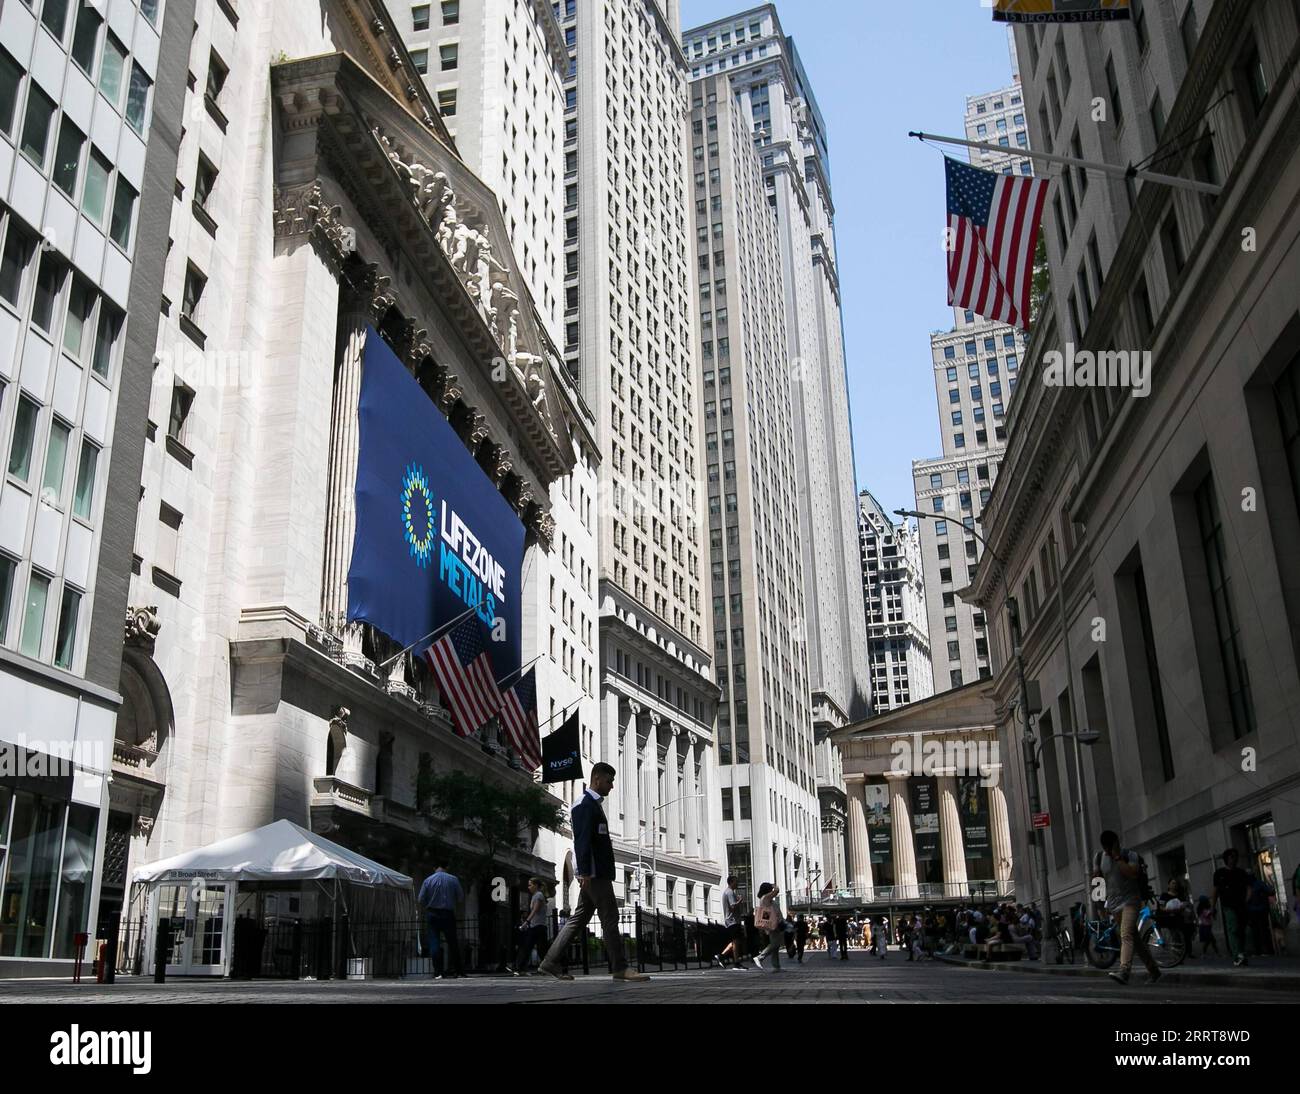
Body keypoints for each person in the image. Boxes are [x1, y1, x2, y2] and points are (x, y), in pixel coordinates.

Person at [538, 763, 650, 982]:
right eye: (609, 781)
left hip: (596, 873)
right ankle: (620, 967)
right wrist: (585, 872)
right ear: (597, 779)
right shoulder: (584, 804)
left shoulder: (592, 804)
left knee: (578, 919)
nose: (612, 786)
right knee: (610, 917)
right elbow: (581, 840)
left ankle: (549, 962)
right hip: (595, 874)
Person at [1092, 829, 1160, 985]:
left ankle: (1124, 971)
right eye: (1105, 848)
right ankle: (1154, 971)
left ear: (1116, 843)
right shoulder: (1099, 857)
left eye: (1110, 847)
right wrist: (1100, 906)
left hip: (1131, 901)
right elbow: (1098, 883)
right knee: (1135, 940)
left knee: (1126, 934)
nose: (1107, 851)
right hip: (1114, 905)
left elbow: (1131, 873)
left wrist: (1117, 857)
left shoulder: (1130, 855)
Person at [418, 865, 465, 979]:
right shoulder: (453, 879)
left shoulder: (428, 880)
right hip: (447, 913)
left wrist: (429, 904)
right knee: (452, 942)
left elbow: (420, 899)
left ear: (434, 867)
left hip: (432, 913)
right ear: (447, 867)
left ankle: (438, 972)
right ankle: (457, 970)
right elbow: (460, 897)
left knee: (434, 942)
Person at [1211, 847, 1251, 967]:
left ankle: (1242, 952)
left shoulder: (1241, 873)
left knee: (1242, 930)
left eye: (1235, 857)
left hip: (1241, 905)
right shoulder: (1219, 874)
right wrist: (1212, 906)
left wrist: (1247, 899)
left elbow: (1249, 887)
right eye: (1231, 857)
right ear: (1226, 859)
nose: (1234, 859)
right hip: (1228, 905)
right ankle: (1237, 954)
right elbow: (1215, 891)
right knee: (1233, 928)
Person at [511, 877, 549, 975]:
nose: (528, 887)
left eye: (530, 885)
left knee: (537, 948)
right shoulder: (535, 896)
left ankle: (519, 967)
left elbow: (535, 910)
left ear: (536, 885)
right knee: (530, 947)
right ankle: (520, 968)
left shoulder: (539, 895)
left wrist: (526, 922)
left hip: (538, 927)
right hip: (536, 926)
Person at [714, 875, 748, 969]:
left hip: (732, 920)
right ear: (732, 882)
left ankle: (721, 956)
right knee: (736, 941)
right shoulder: (729, 892)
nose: (737, 884)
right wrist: (740, 901)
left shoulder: (729, 892)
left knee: (736, 941)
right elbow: (733, 907)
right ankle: (736, 962)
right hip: (732, 920)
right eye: (736, 882)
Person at [752, 882, 783, 972]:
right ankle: (760, 957)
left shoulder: (765, 898)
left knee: (775, 945)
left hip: (773, 923)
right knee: (775, 943)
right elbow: (777, 890)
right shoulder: (766, 897)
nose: (772, 890)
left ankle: (776, 966)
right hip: (773, 923)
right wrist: (773, 885)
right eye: (770, 889)